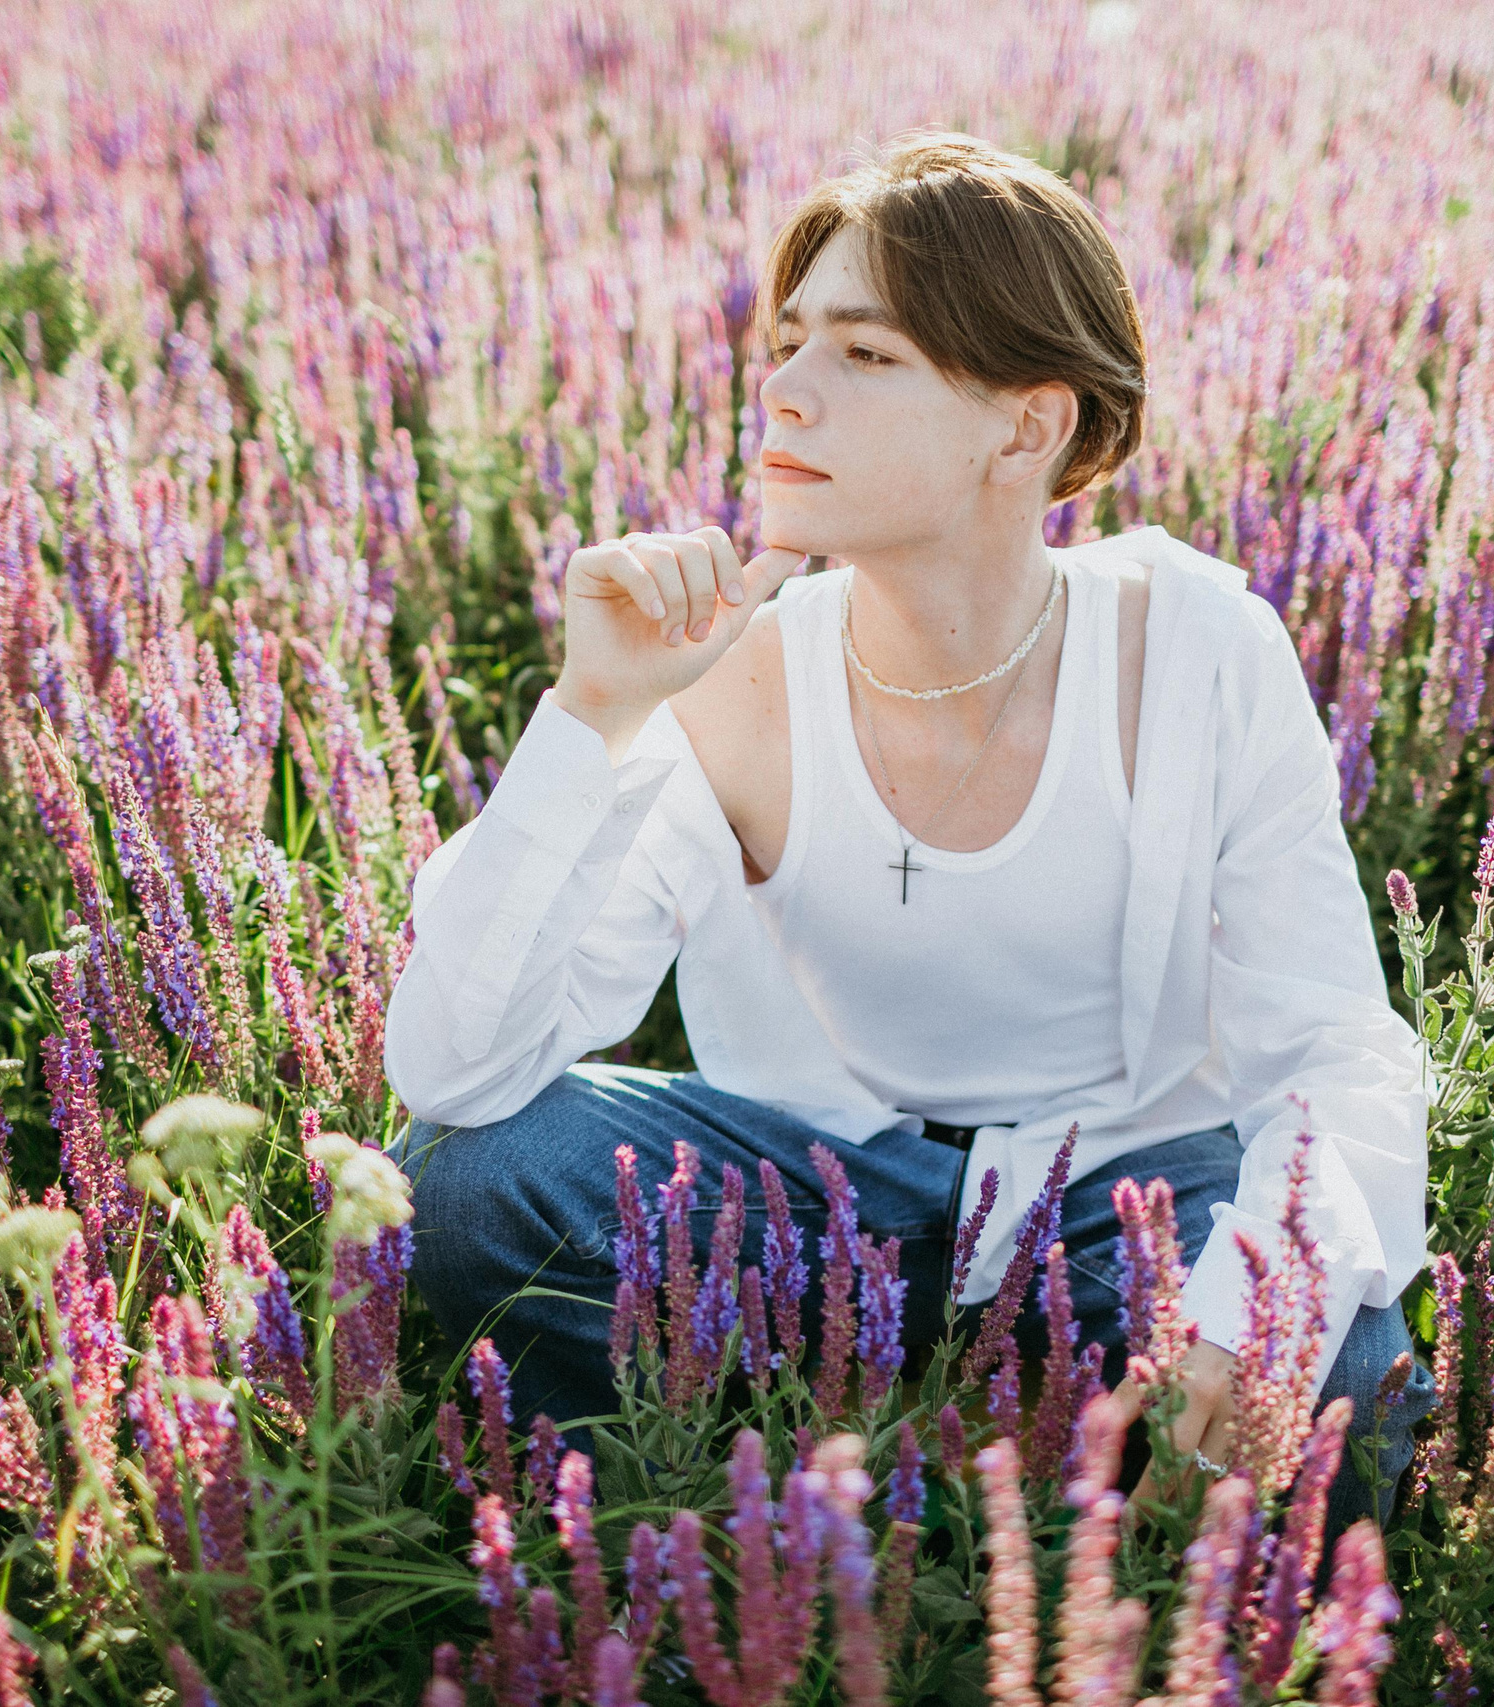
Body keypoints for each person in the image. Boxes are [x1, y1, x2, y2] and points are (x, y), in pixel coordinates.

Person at [383, 128, 1434, 1530]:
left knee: (1332, 1357)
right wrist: (594, 715)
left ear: (1027, 424)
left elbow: (1334, 1049)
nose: (786, 392)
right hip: (821, 1203)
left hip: (1128, 1204)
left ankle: (965, 1532)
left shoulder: (1197, 651)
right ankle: (692, 1513)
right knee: (456, 1188)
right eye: (790, 340)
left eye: (865, 356)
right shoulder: (738, 670)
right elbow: (459, 1069)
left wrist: (1244, 1323)